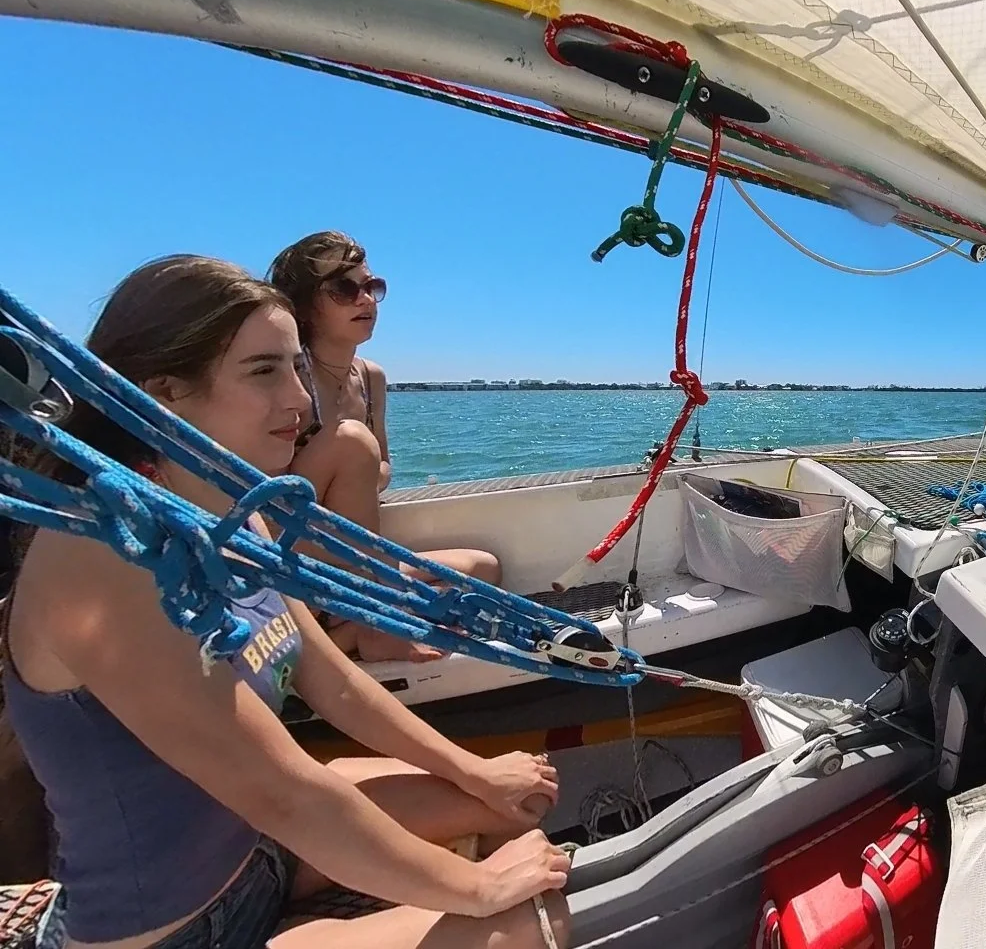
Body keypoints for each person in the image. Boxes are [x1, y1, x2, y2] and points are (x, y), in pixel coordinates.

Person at [2, 256, 571, 948]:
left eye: (297, 367)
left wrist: (474, 770)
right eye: (263, 370)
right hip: (178, 932)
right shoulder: (104, 556)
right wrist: (483, 892)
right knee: (530, 926)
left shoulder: (232, 509)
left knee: (519, 807)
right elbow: (286, 793)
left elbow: (333, 682)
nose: (300, 400)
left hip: (261, 852)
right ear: (166, 391)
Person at [266, 232, 501, 663]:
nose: (365, 300)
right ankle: (376, 623)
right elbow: (269, 497)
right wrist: (349, 460)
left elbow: (384, 465)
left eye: (372, 287)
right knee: (351, 441)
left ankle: (344, 637)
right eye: (344, 289)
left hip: (351, 555)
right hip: (291, 551)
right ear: (302, 305)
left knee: (482, 568)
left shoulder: (370, 378)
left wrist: (359, 473)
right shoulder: (288, 376)